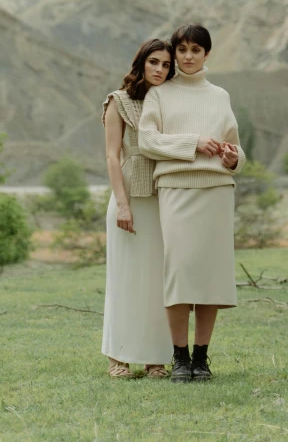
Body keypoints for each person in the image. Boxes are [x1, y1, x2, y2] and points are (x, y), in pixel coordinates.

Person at [138, 24, 245, 383]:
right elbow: (147, 142)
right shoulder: (159, 95)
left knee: (211, 276)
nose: (187, 56)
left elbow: (235, 146)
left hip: (217, 190)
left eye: (195, 50)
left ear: (206, 54)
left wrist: (232, 160)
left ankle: (202, 358)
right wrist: (193, 143)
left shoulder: (221, 96)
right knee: (180, 272)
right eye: (181, 50)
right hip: (176, 190)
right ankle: (179, 358)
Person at [101, 38, 175, 378]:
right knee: (125, 279)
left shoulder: (171, 101)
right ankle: (118, 357)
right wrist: (122, 205)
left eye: (166, 64)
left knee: (158, 282)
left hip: (164, 197)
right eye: (154, 62)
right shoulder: (119, 101)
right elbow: (112, 157)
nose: (160, 69)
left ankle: (156, 358)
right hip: (128, 197)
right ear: (141, 63)